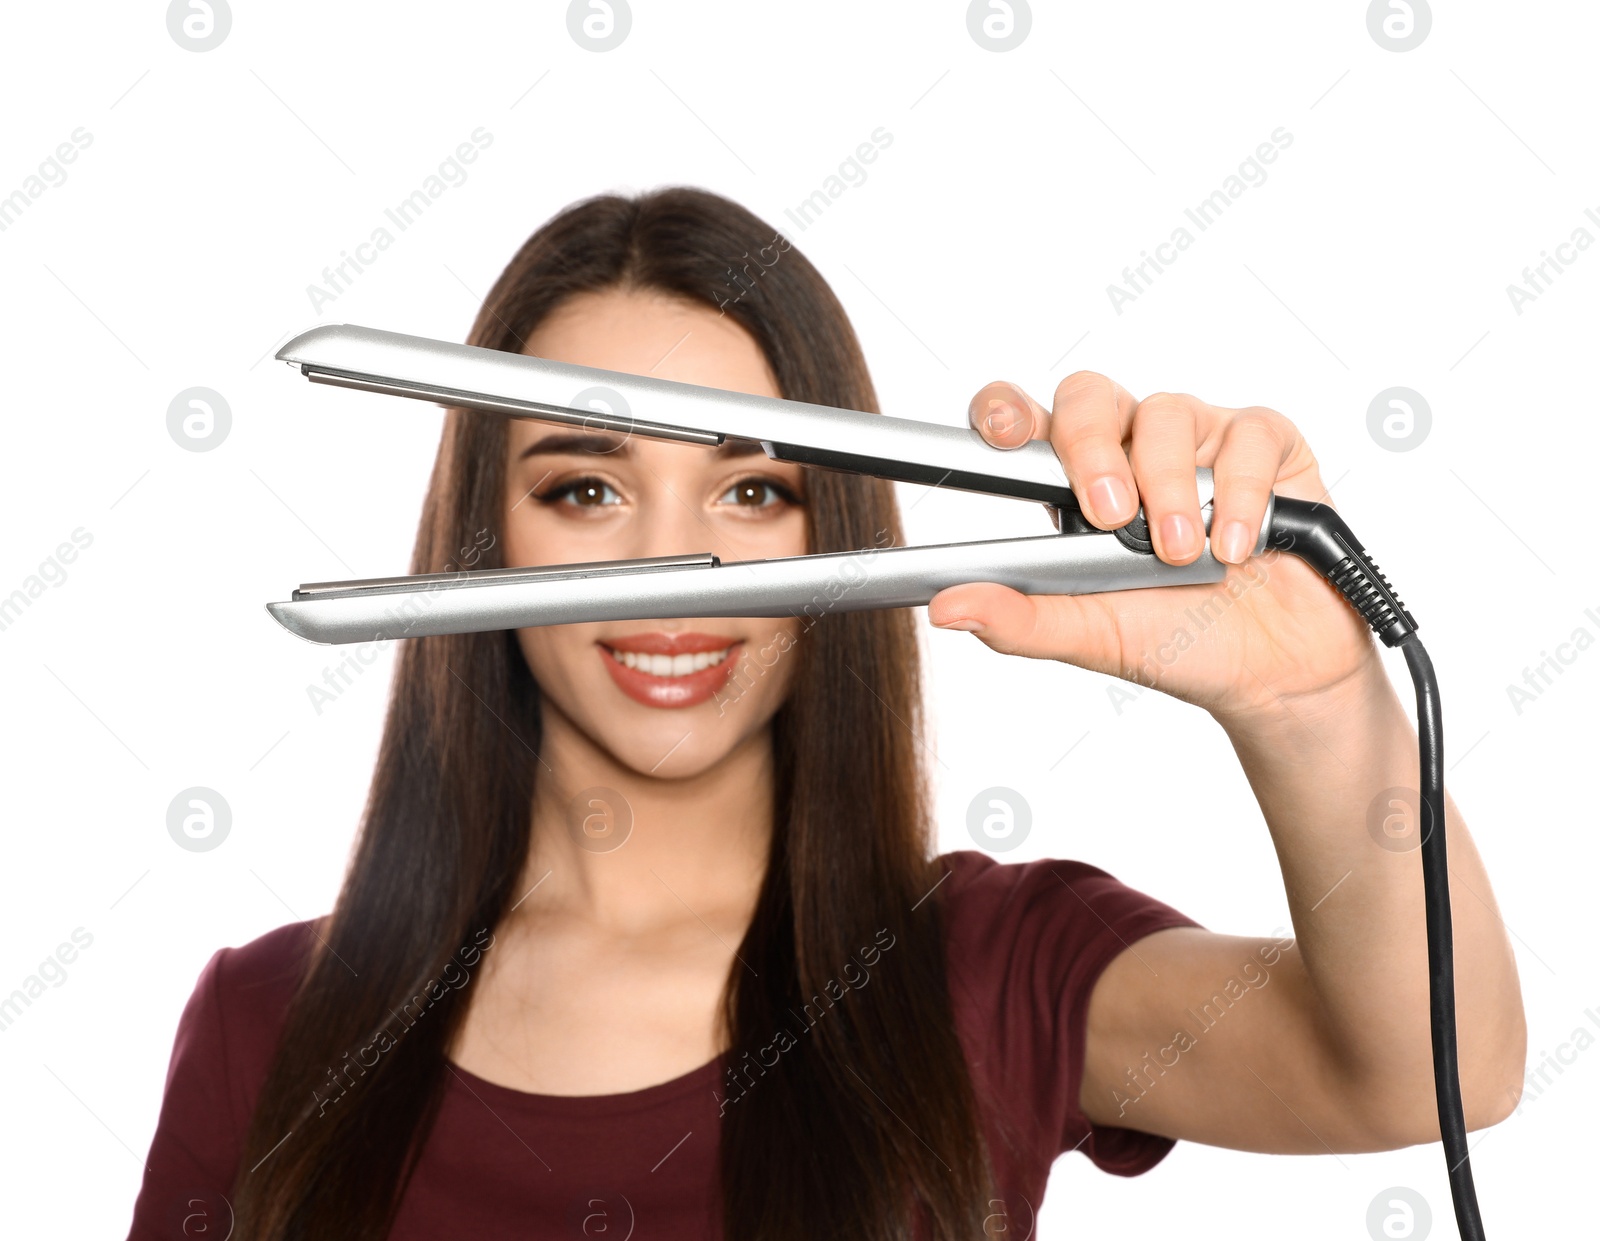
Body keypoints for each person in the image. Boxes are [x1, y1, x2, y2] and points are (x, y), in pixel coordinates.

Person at [125, 187, 1525, 1241]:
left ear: (836, 527)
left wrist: (1315, 705)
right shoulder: (271, 1021)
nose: (679, 571)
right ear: (482, 535)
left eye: (753, 490)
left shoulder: (982, 967)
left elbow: (1420, 1072)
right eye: (584, 489)